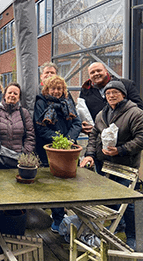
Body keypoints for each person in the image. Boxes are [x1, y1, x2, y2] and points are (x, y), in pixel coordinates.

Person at [80, 81, 143, 250]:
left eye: (115, 92)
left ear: (123, 94)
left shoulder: (134, 113)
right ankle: (119, 225)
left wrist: (121, 150)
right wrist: (90, 155)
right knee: (111, 198)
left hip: (125, 166)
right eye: (108, 93)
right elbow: (94, 136)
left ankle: (133, 236)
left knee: (128, 202)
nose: (111, 96)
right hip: (105, 163)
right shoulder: (102, 113)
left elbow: (141, 138)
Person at [33, 75, 81, 233]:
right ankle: (58, 217)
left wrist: (69, 140)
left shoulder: (68, 101)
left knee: (67, 183)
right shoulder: (41, 102)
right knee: (53, 186)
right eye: (53, 88)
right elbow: (40, 128)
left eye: (59, 88)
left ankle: (65, 216)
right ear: (47, 89)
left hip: (68, 149)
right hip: (49, 149)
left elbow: (76, 122)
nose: (56, 91)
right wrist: (60, 141)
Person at [80, 62, 143, 134]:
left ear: (106, 71)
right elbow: (83, 112)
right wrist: (82, 124)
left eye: (99, 70)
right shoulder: (86, 91)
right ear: (89, 76)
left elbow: (139, 107)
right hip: (100, 136)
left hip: (127, 134)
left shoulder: (126, 84)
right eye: (92, 72)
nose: (96, 74)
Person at [0, 82, 35, 169]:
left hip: (19, 160)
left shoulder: (24, 113)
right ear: (4, 95)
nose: (12, 95)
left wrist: (25, 153)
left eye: (15, 93)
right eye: (10, 92)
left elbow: (30, 136)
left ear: (19, 98)